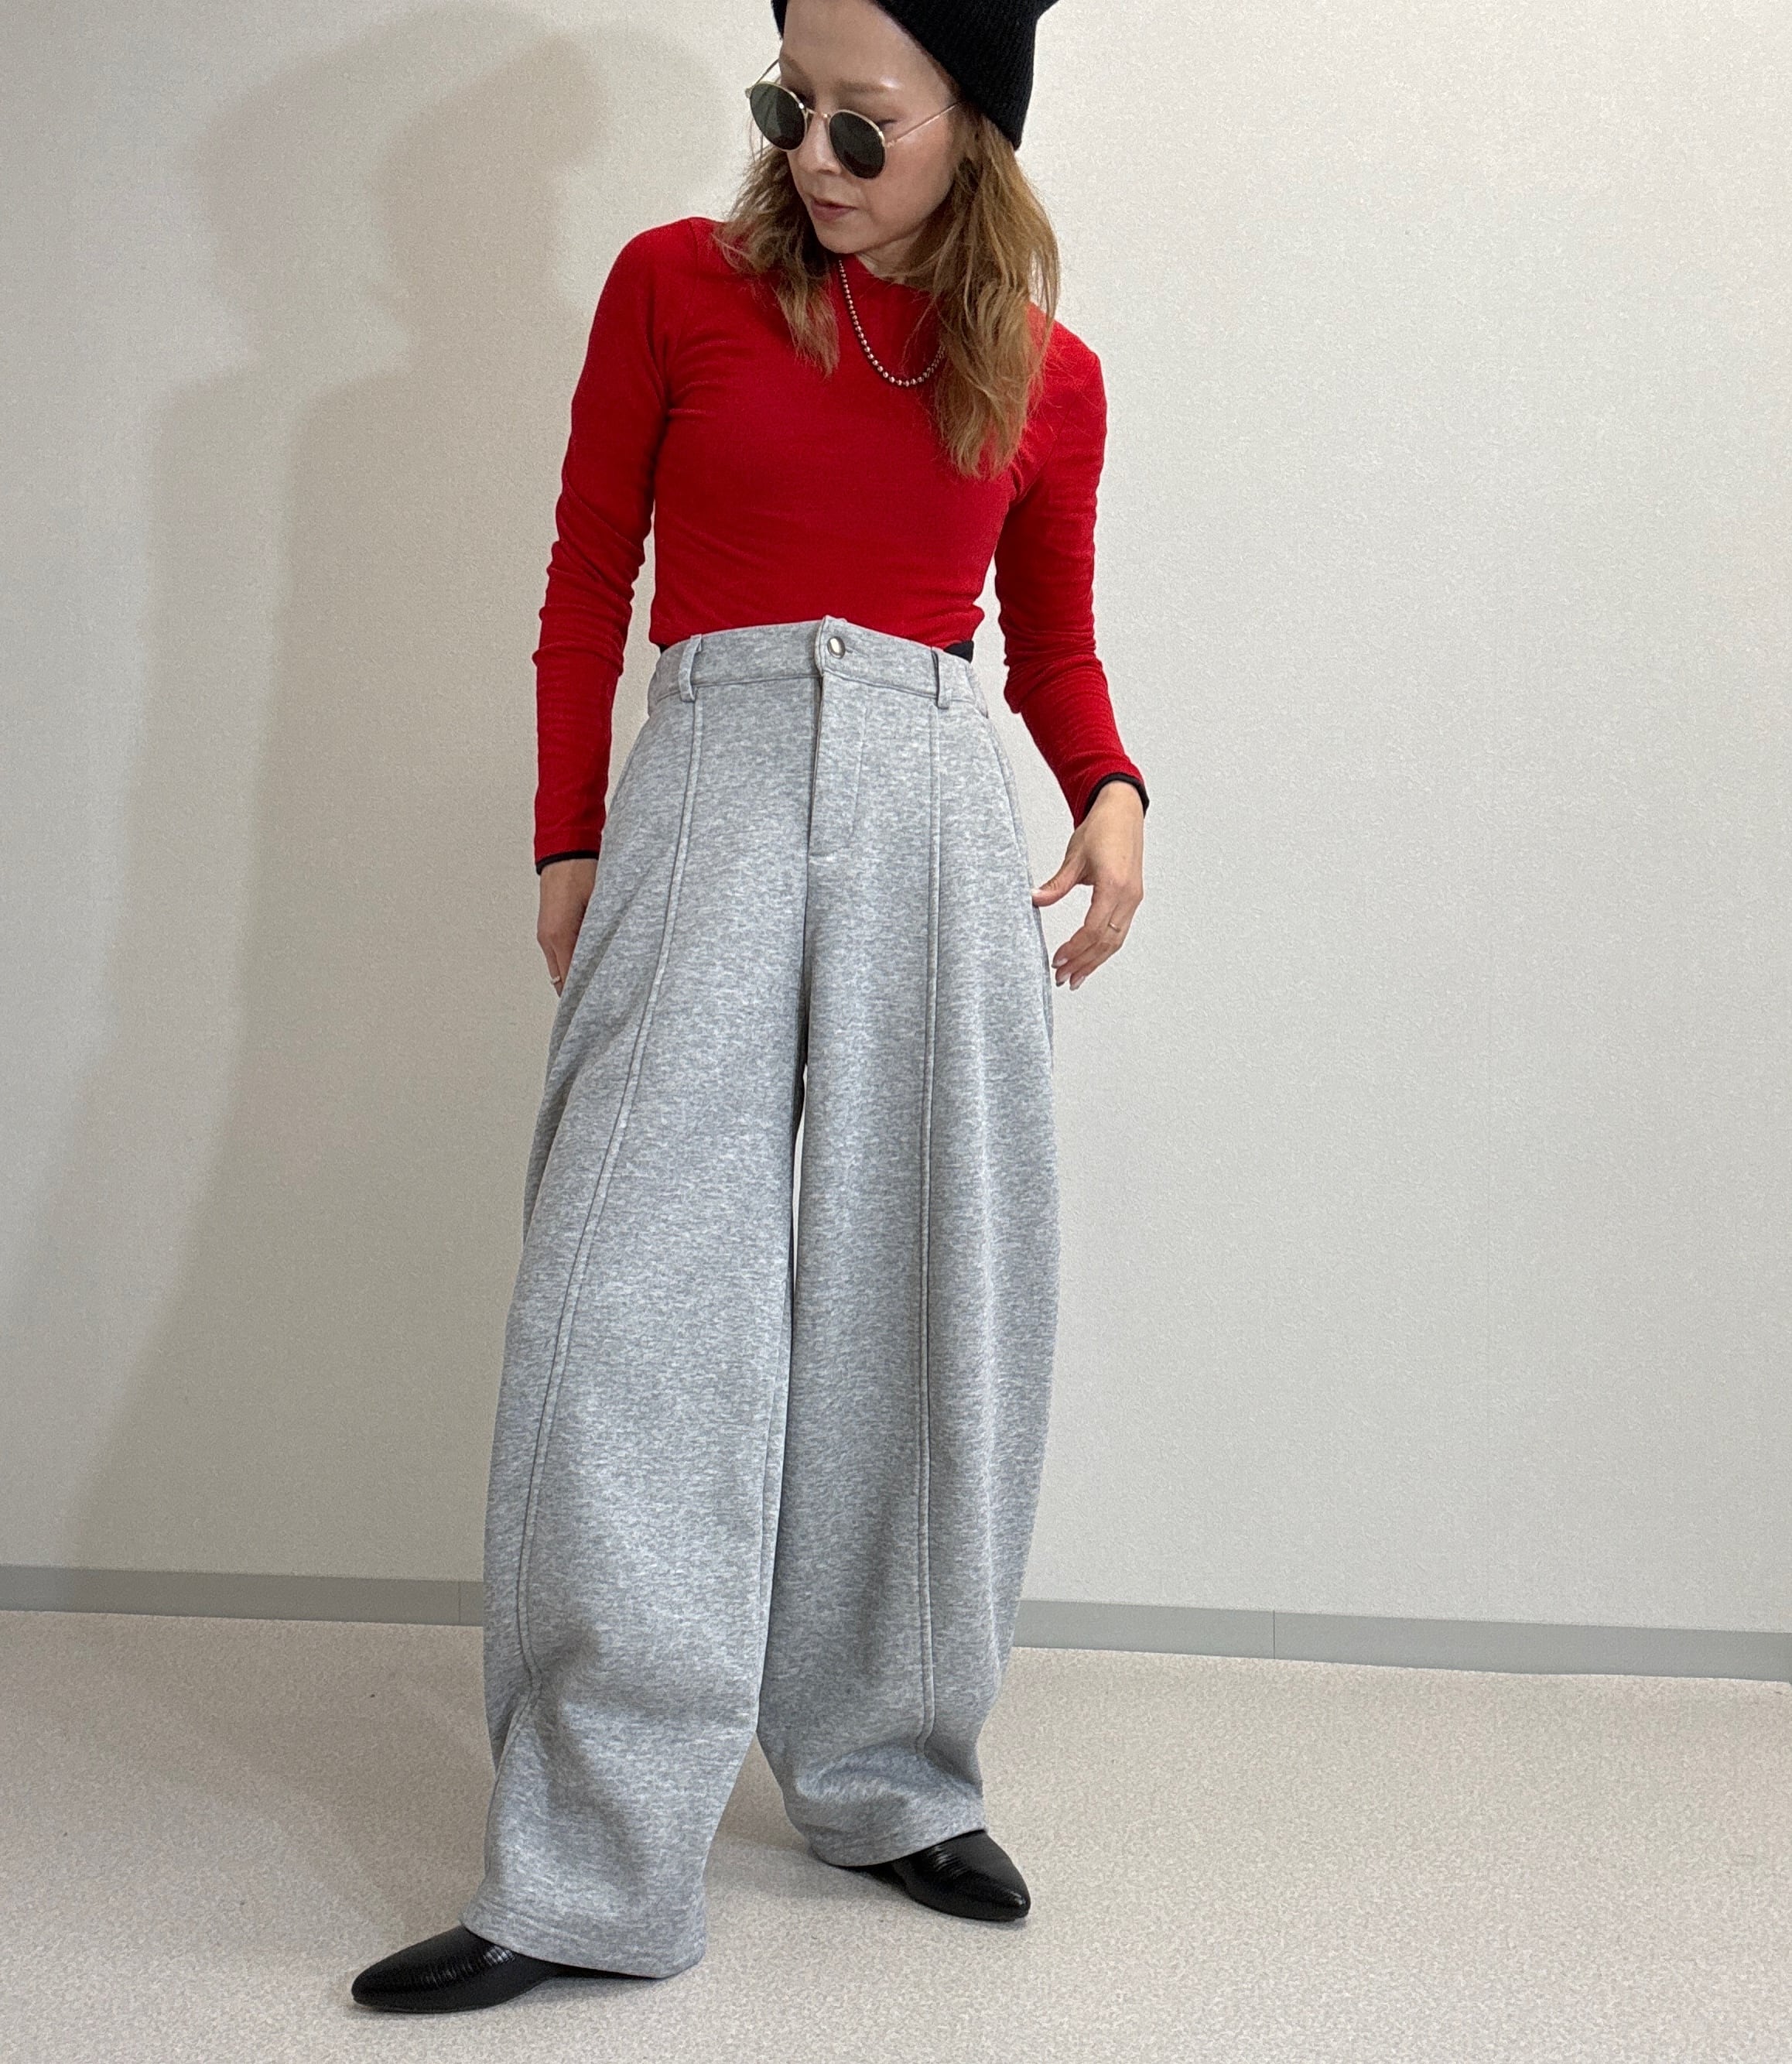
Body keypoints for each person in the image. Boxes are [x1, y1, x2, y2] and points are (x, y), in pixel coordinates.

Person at [351, 0, 1147, 2014]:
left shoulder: (1045, 374)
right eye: (792, 104)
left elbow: (1047, 644)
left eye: (866, 122)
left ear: (974, 128)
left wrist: (1113, 787)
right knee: (625, 1317)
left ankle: (887, 1778)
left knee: (927, 1302)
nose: (812, 155)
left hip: (930, 800)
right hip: (704, 771)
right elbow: (584, 575)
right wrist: (568, 834)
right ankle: (587, 1865)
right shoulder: (672, 290)